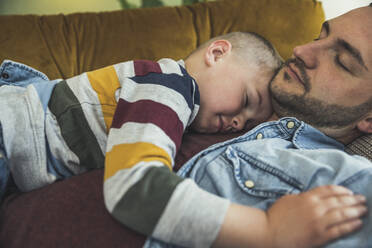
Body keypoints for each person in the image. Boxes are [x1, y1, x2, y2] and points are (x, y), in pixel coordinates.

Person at [0, 31, 365, 248]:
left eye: (251, 120)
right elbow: (135, 186)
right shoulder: (167, 88)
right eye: (247, 102)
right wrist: (265, 230)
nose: (238, 121)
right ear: (217, 54)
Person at [145, 3, 372, 248]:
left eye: (342, 61)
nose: (301, 50)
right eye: (319, 36)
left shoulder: (348, 180)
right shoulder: (222, 85)